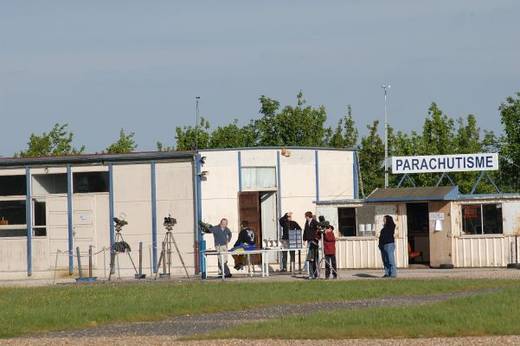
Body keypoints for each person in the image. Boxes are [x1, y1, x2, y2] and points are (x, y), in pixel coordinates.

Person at [303, 211, 319, 279]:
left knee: (312, 259)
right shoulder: (307, 222)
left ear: (308, 216)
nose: (305, 217)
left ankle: (314, 274)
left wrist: (316, 238)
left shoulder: (314, 222)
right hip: (309, 241)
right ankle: (312, 274)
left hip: (314, 242)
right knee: (310, 259)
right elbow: (305, 231)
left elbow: (318, 229)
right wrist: (304, 239)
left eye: (305, 216)